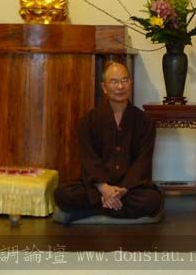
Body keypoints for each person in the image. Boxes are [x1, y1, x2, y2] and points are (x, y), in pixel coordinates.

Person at [54, 62, 162, 224]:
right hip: (98, 187)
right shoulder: (89, 121)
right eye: (114, 81)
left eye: (124, 80)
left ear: (130, 83)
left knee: (152, 200)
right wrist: (104, 188)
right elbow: (88, 159)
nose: (120, 86)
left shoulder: (145, 121)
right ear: (104, 87)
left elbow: (143, 162)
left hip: (130, 189)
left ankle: (84, 213)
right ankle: (113, 207)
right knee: (63, 194)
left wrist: (123, 189)